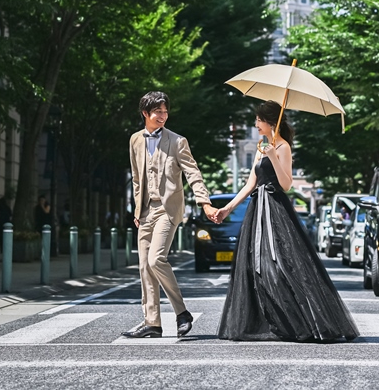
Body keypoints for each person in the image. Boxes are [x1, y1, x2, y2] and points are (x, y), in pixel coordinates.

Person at [216, 101, 359, 343]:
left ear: (271, 122)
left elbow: (286, 184)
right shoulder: (262, 146)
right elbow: (250, 184)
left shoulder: (282, 147)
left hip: (275, 210)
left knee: (280, 265)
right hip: (257, 211)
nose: (255, 124)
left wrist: (274, 156)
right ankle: (272, 322)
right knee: (255, 266)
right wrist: (227, 209)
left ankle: (301, 321)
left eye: (259, 120)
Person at [121, 91, 220, 339]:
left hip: (168, 209)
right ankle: (152, 323)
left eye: (165, 111)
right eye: (158, 112)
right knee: (145, 267)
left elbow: (193, 173)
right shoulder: (135, 141)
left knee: (156, 260)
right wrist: (137, 208)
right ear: (146, 113)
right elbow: (136, 178)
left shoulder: (177, 141)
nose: (163, 116)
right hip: (145, 211)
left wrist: (204, 202)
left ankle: (181, 312)